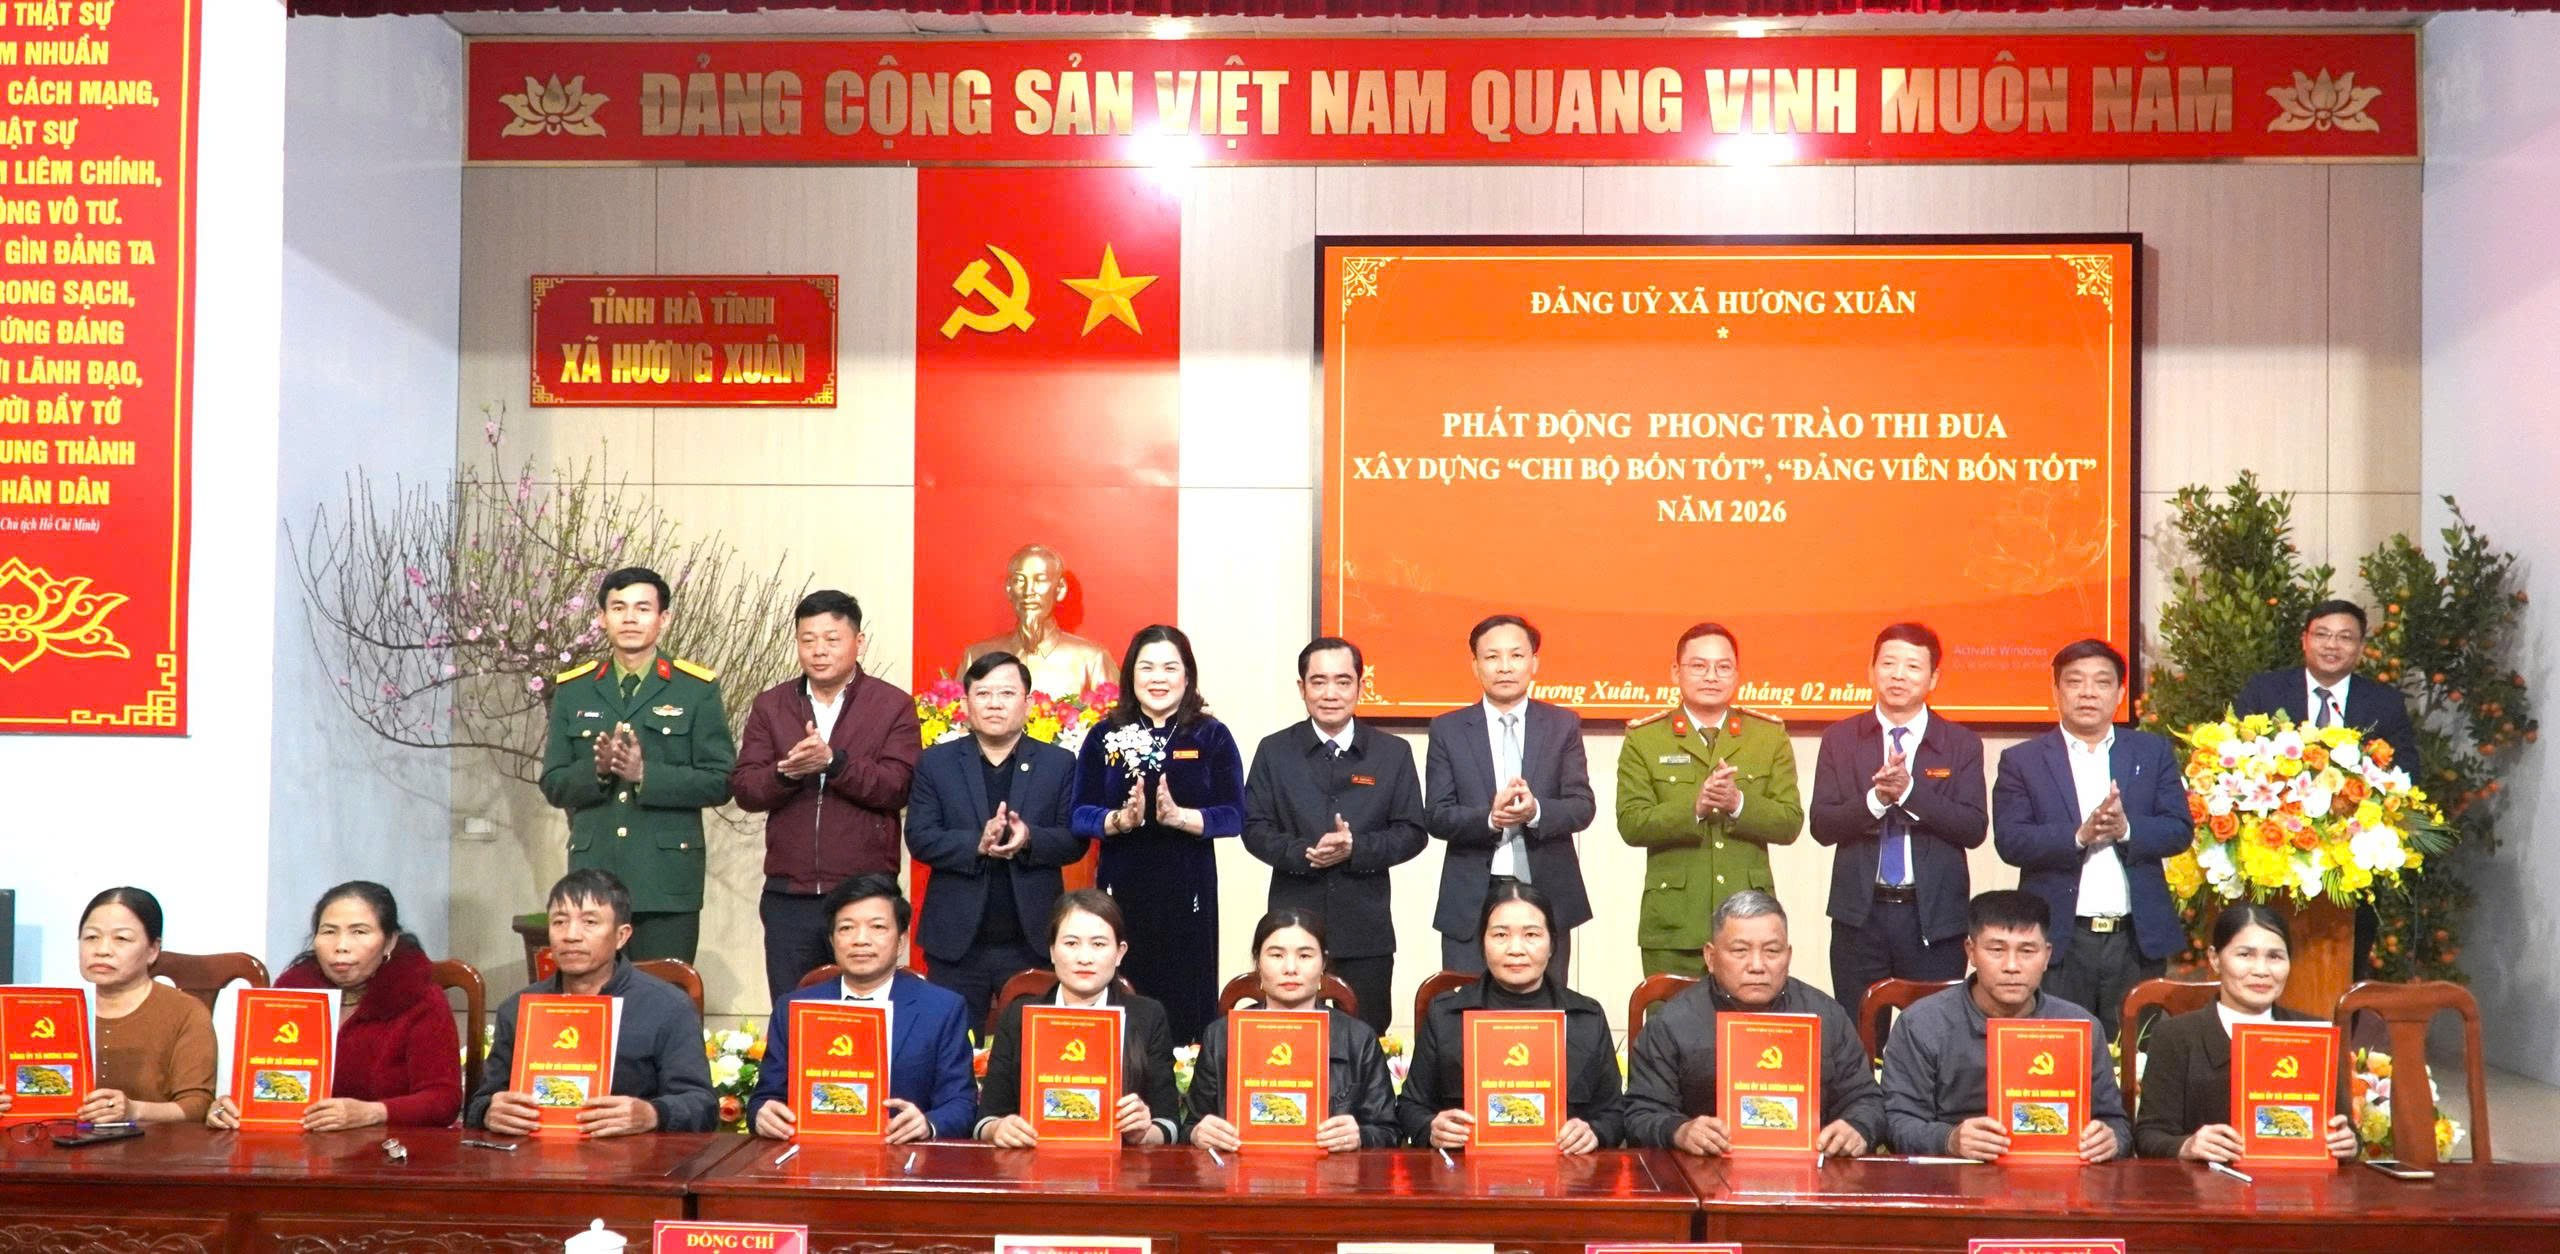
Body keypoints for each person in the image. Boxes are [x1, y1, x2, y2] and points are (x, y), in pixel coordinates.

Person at [1993, 639, 2194, 1042]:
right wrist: (2078, 836)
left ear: (2120, 693)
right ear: (2056, 691)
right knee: (2057, 1055)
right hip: (2059, 941)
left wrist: (2127, 830)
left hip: (2135, 940)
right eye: (2075, 681)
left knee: (2138, 1055)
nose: (2088, 692)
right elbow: (2011, 840)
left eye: (2102, 682)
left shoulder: (2151, 752)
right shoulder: (2023, 760)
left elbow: (2179, 829)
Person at [538, 566, 737, 964]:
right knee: (595, 992)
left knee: (664, 992)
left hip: (666, 880)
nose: (630, 618)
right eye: (618, 608)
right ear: (601, 618)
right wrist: (596, 771)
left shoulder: (695, 688)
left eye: (642, 608)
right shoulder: (575, 688)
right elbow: (554, 782)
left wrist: (646, 775)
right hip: (594, 879)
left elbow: (721, 779)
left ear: (664, 618)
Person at [732, 589, 922, 1003]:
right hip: (789, 893)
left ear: (859, 642)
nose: (819, 650)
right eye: (808, 639)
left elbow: (898, 786)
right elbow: (745, 788)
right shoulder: (771, 705)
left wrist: (835, 764)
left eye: (832, 639)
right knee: (793, 1007)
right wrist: (787, 772)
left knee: (867, 1006)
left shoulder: (892, 705)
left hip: (865, 891)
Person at [1242, 636, 1427, 1032]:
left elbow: (1412, 832)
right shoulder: (1274, 751)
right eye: (1318, 681)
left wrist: (1355, 848)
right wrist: (1305, 853)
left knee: (1367, 1036)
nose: (1330, 693)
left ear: (1361, 686)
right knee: (1287, 1037)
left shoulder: (1392, 752)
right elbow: (1254, 828)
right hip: (1291, 928)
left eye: (1343, 682)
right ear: (1301, 688)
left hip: (1366, 929)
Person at [1069, 625, 1244, 1044]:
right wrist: (1119, 820)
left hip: (1189, 891)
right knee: (1124, 994)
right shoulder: (1105, 735)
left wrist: (1181, 817)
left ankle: (1185, 1076)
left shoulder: (1210, 734)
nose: (1158, 678)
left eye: (1170, 667)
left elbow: (1235, 815)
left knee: (1186, 996)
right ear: (1131, 674)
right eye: (1147, 667)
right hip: (1121, 889)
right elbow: (1078, 814)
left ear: (1187, 675)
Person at [2234, 598, 2423, 979]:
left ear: (2361, 646)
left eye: (2345, 637)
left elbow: (2407, 772)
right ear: (2304, 640)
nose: (2332, 645)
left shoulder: (2383, 703)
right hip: (2273, 856)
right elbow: (2235, 756)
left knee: (2342, 971)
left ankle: (2340, 1019)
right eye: (2322, 634)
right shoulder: (2266, 691)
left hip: (2349, 861)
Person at [1810, 622, 1987, 1024]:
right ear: (1871, 671)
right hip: (1859, 917)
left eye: (1912, 666)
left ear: (1933, 678)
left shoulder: (1961, 743)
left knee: (1931, 1035)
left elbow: (1973, 828)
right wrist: (1876, 800)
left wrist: (1909, 793)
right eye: (1888, 664)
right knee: (1859, 1034)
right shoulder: (1841, 738)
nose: (1898, 675)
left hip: (1934, 919)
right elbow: (1822, 825)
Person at [1621, 891, 1881, 1156]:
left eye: (1772, 951)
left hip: (1808, 1169)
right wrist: (1679, 1131)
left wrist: (1857, 1127)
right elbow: (1641, 1113)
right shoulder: (1673, 1023)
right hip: (1703, 1170)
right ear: (1710, 957)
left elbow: (1866, 1099)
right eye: (1740, 951)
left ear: (1788, 955)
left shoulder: (1826, 1016)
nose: (1757, 966)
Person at [906, 651, 1087, 1031]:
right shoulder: (936, 763)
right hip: (955, 943)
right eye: (983, 693)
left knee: (1030, 1047)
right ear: (965, 703)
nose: (994, 703)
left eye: (1006, 693)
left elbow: (1075, 840)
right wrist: (977, 843)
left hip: (1032, 941)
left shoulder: (1059, 764)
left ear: (1028, 703)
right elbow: (920, 837)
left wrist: (1029, 838)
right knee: (950, 1044)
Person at [1880, 890, 2130, 1163]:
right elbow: (1897, 1123)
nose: (2012, 966)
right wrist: (1949, 1139)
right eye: (1997, 950)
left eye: (2027, 951)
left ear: (2047, 956)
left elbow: (2117, 1124)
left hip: (2054, 1175)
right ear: (1971, 951)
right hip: (1953, 1174)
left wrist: (2110, 1140)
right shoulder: (1922, 1024)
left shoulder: (2079, 1026)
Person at [1615, 622, 1804, 978]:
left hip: (1750, 923)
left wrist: (1738, 803)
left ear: (1737, 674)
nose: (1711, 676)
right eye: (1699, 666)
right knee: (1670, 1013)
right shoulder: (1645, 738)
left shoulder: (1768, 735)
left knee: (1746, 1013)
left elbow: (1790, 822)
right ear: (1676, 672)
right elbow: (1631, 823)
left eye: (1723, 667)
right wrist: (1695, 807)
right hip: (1675, 922)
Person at [466, 870, 716, 1136]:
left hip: (633, 1155)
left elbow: (703, 1106)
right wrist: (488, 1111)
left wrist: (653, 1114)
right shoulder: (518, 1008)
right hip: (533, 1153)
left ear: (621, 936)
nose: (571, 935)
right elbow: (480, 1102)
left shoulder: (668, 1007)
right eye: (559, 922)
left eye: (589, 922)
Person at [1424, 615, 1596, 983]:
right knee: (1467, 1005)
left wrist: (1535, 811)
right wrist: (1490, 819)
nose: (1504, 667)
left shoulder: (1562, 724)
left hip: (1546, 892)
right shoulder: (1448, 729)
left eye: (1516, 655)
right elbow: (1437, 814)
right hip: (1472, 895)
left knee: (1545, 1006)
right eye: (1492, 657)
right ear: (1475, 665)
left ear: (1534, 663)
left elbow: (1582, 805)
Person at [209, 881, 461, 1131]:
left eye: (359, 932)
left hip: (384, 1146)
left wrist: (374, 1112)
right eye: (329, 932)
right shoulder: (292, 992)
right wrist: (228, 1107)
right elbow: (265, 1077)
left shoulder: (419, 998)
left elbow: (444, 1100)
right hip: (299, 1144)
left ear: (390, 941)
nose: (341, 946)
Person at [1394, 882, 1625, 1153]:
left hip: (1566, 1166)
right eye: (1501, 935)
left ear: (1552, 944)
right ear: (1482, 942)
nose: (1516, 949)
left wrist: (1595, 1132)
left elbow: (1615, 1112)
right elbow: (1410, 1107)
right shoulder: (1446, 1015)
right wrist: (1431, 1128)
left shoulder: (1586, 1017)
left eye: (1531, 934)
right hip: (1465, 1168)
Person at [747, 875, 977, 1144]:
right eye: (846, 928)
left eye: (877, 927)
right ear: (832, 941)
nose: (861, 940)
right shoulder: (794, 1008)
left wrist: (928, 1124)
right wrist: (761, 1114)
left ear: (901, 941)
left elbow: (961, 1103)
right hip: (813, 1154)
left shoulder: (941, 1009)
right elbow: (765, 1098)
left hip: (904, 1155)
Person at [2133, 903, 2360, 1162]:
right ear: (2215, 958)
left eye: (2275, 957)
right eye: (2245, 955)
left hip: (2297, 1184)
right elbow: (2149, 1136)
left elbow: (2345, 1129)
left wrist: (2348, 1142)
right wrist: (2186, 1146)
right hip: (2205, 1183)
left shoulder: (2313, 1035)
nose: (2261, 971)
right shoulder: (2176, 1036)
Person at [975, 890, 1183, 1147]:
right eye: (1071, 943)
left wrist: (1145, 1131)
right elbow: (985, 1120)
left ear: (1119, 953)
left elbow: (1170, 1124)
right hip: (1034, 1159)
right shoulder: (1019, 1016)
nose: (1085, 958)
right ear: (1052, 951)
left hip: (1120, 1165)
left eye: (1099, 944)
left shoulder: (1148, 1016)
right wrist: (999, 1128)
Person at [1184, 909, 1402, 1153]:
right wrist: (1198, 1133)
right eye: (1276, 955)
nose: (1290, 968)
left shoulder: (1358, 1039)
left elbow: (1390, 1131)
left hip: (1332, 1172)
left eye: (1305, 956)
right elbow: (1190, 1125)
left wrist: (1361, 1136)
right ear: (1258, 961)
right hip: (1241, 1169)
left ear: (1323, 963)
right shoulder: (1220, 1035)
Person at [0, 888, 216, 1125]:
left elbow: (197, 1105)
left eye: (121, 939)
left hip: (149, 1146)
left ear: (153, 950)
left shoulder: (185, 1012)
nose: (102, 950)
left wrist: (135, 1110)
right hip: (54, 1142)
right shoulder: (39, 1008)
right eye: (91, 937)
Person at [962, 542, 1116, 700]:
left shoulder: (1091, 660)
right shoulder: (977, 656)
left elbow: (1117, 714)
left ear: (1060, 589)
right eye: (1019, 580)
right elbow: (957, 712)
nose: (1028, 591)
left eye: (1040, 580)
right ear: (1009, 589)